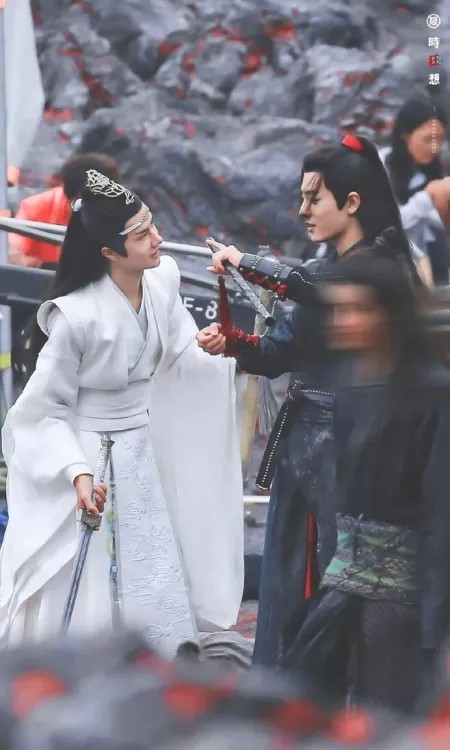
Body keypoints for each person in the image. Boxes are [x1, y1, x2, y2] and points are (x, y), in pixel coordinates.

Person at [198, 134, 420, 671]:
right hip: (304, 452)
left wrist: (248, 262)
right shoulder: (324, 267)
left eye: (313, 198)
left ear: (352, 202)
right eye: (301, 198)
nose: (302, 210)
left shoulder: (384, 268)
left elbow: (322, 289)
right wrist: (234, 344)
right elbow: (282, 352)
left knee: (341, 587)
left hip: (355, 453)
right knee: (289, 585)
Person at [0, 170, 244, 657]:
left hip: (143, 451)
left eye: (152, 224)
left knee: (152, 562)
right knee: (90, 574)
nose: (158, 239)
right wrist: (76, 472)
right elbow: (42, 411)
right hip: (88, 456)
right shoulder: (75, 317)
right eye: (142, 234)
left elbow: (177, 354)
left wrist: (209, 347)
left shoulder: (162, 280)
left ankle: (155, 668)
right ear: (109, 252)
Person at [286, 246, 450, 713]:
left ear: (390, 315)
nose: (344, 322)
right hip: (344, 586)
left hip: (405, 600)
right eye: (338, 310)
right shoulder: (349, 381)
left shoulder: (434, 391)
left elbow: (442, 513)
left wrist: (435, 629)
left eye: (359, 309)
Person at [379, 97, 450, 284]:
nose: (435, 148)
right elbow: (385, 226)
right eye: (428, 140)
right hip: (389, 267)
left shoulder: (428, 171)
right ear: (405, 136)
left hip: (430, 261)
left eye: (440, 140)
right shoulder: (379, 167)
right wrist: (428, 196)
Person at [9, 153, 120, 269]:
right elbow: (12, 252)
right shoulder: (35, 207)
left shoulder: (125, 217)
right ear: (68, 196)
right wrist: (28, 262)